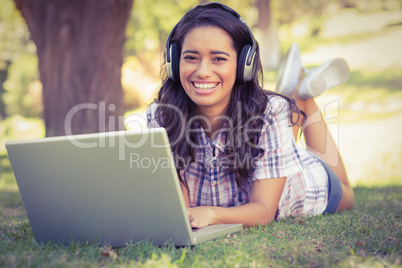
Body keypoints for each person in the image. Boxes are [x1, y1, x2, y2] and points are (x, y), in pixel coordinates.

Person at [145, 3, 354, 228]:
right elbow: (182, 212)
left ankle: (305, 100)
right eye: (192, 58)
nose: (203, 71)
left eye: (218, 59)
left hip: (305, 183)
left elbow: (264, 211)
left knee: (347, 194)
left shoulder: (270, 113)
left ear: (244, 65)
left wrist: (211, 214)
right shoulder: (161, 117)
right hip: (271, 160)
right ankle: (298, 97)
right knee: (274, 118)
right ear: (174, 62)